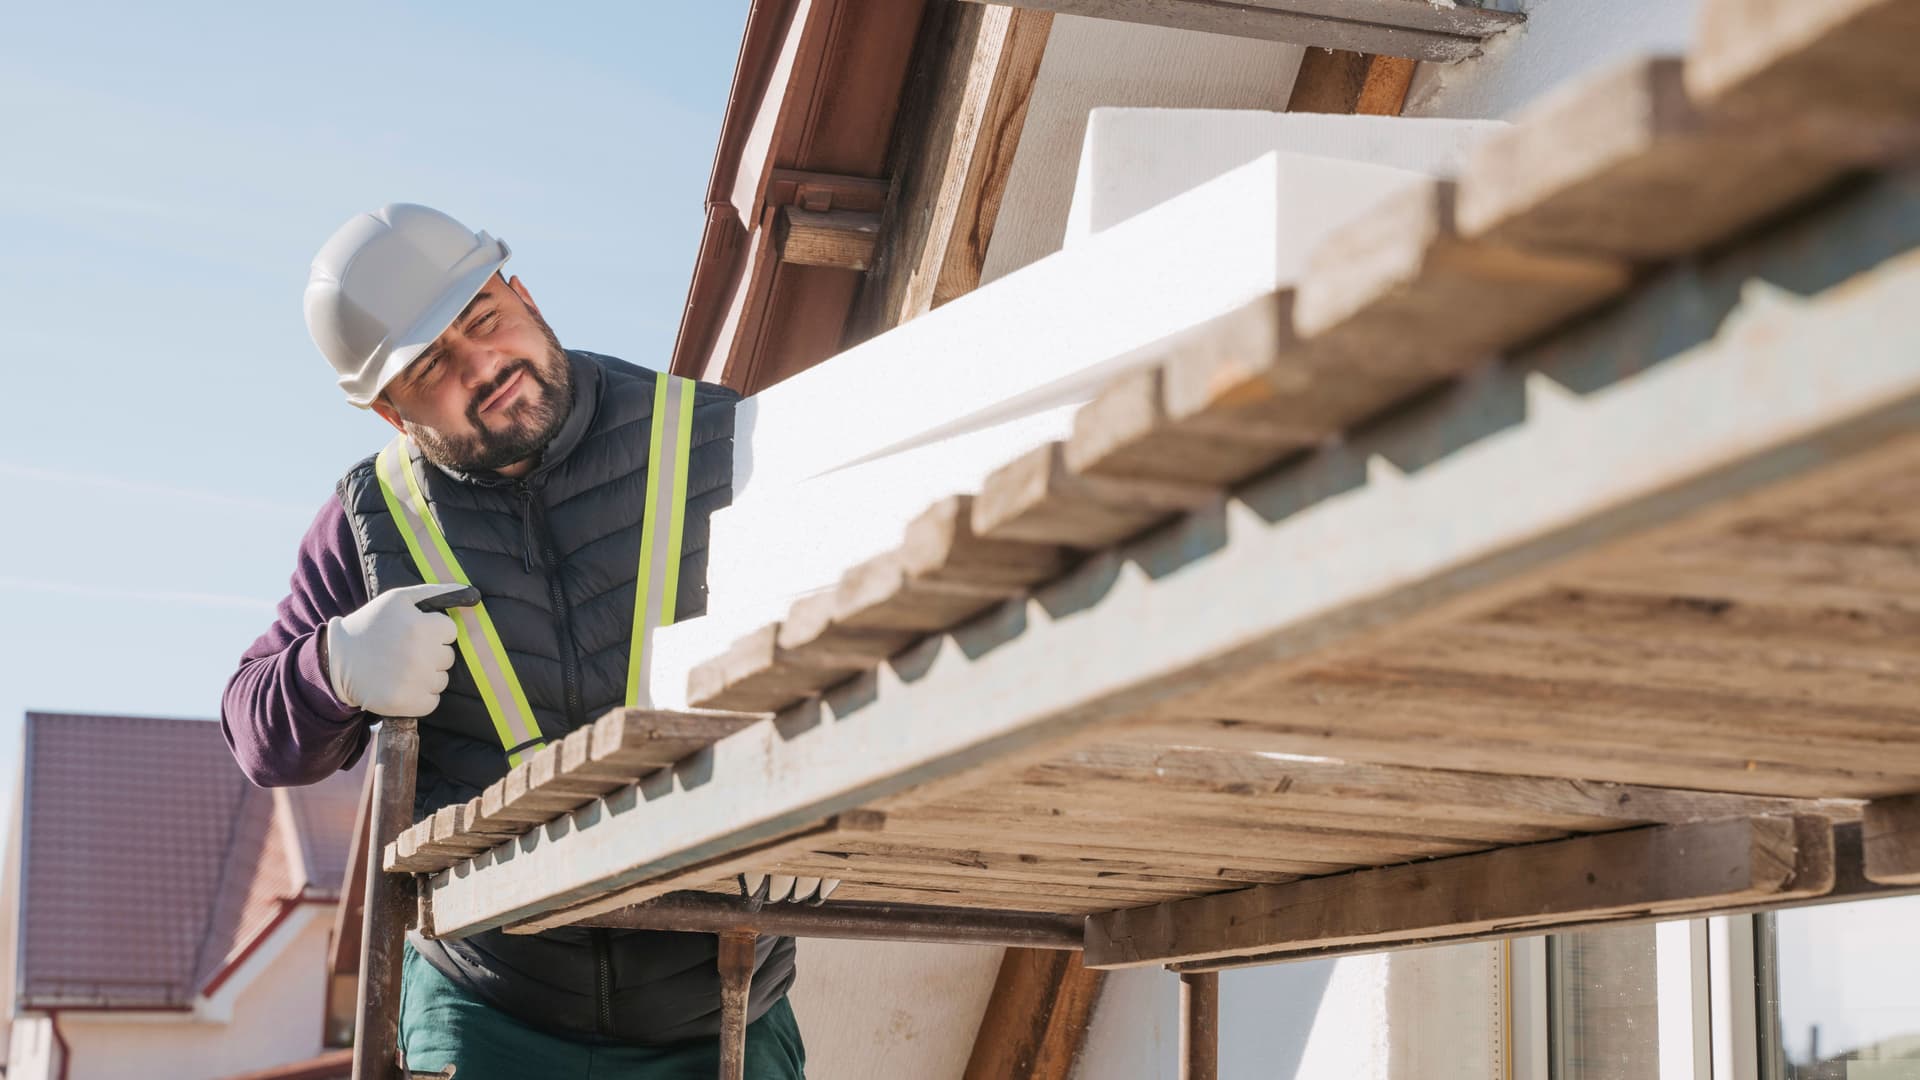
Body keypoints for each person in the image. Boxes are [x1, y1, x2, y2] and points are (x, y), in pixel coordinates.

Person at [221, 203, 807, 1079]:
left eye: (485, 320)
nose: (483, 365)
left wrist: (821, 807)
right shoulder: (370, 523)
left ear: (522, 292)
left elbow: (852, 637)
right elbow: (256, 733)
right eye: (432, 366)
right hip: (492, 1008)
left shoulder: (719, 442)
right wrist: (334, 667)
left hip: (719, 995)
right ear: (389, 412)